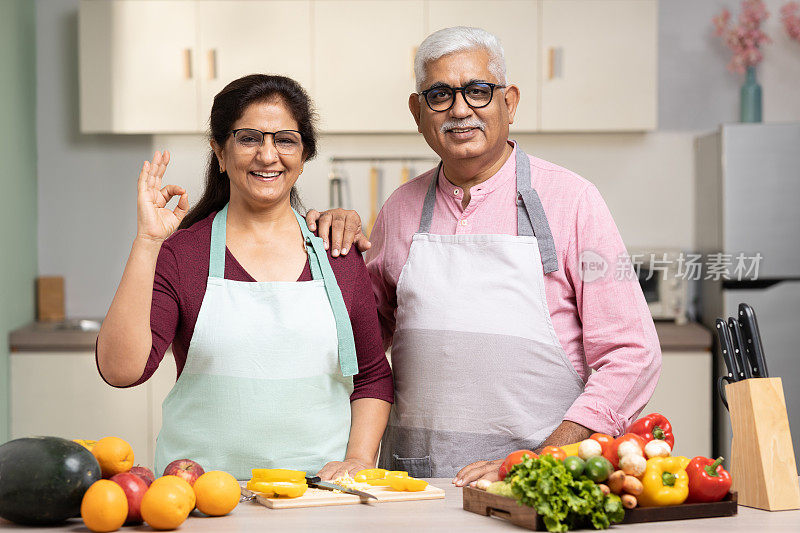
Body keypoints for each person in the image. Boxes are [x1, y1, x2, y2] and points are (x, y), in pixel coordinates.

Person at [307, 26, 661, 484]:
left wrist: (547, 457)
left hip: (536, 482)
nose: (460, 109)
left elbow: (633, 354)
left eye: (478, 91)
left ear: (509, 102)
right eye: (440, 95)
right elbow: (360, 342)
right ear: (418, 112)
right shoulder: (399, 208)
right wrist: (331, 252)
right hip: (417, 483)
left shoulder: (573, 200)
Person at [96, 74, 393, 481]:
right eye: (250, 138)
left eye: (285, 140)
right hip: (198, 496)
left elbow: (372, 376)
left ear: (304, 155)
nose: (268, 155)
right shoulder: (183, 255)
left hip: (318, 495)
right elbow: (121, 370)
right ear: (219, 152)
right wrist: (148, 241)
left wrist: (358, 460)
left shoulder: (337, 251)